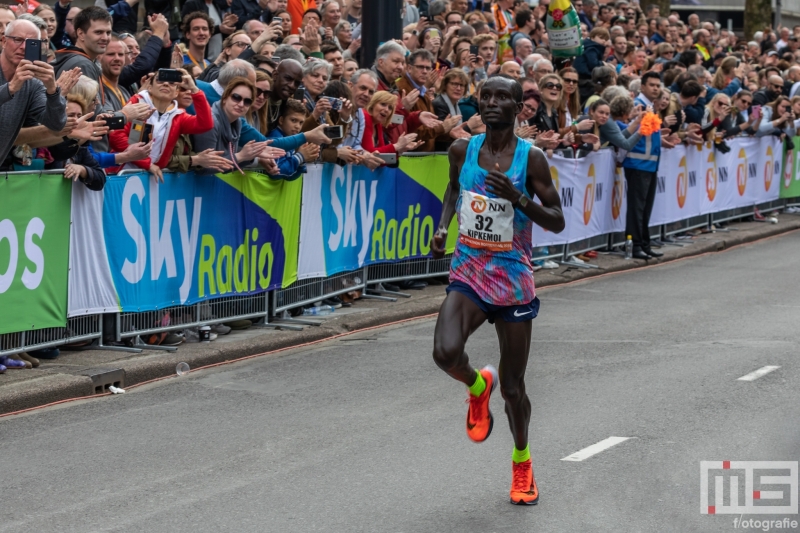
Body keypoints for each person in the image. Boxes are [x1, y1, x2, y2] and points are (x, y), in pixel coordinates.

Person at [429, 75, 565, 507]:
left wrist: (519, 198)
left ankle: (522, 461)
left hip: (512, 277)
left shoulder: (533, 159)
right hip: (469, 268)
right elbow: (454, 187)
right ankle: (474, 386)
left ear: (518, 106)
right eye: (485, 96)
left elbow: (557, 219)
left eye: (501, 97)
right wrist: (441, 224)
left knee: (513, 387)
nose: (491, 103)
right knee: (445, 353)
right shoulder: (462, 148)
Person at [110, 69, 214, 181]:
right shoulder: (137, 103)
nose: (165, 84)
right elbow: (116, 136)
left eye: (172, 83)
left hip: (152, 176)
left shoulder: (178, 115)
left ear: (176, 92)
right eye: (160, 80)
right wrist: (148, 164)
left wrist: (194, 90)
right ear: (149, 87)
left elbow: (205, 124)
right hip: (121, 172)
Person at [0, 19, 68, 165]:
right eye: (17, 40)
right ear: (3, 41)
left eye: (32, 43)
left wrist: (52, 91)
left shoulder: (33, 83)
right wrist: (10, 88)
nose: (24, 47)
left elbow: (56, 124)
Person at [193, 76, 282, 174]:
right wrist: (241, 156)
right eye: (236, 97)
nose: (241, 104)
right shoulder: (211, 121)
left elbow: (226, 168)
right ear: (225, 98)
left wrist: (251, 156)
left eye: (247, 101)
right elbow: (203, 168)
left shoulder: (237, 122)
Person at [623, 71, 663, 260]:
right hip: (637, 163)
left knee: (645, 208)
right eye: (652, 85)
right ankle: (635, 244)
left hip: (649, 164)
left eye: (658, 85)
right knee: (637, 208)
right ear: (643, 86)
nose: (656, 88)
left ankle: (644, 243)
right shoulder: (638, 105)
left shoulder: (650, 107)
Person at [52, 6, 112, 81]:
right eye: (98, 32)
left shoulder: (72, 58)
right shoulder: (82, 65)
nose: (105, 38)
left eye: (108, 33)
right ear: (81, 34)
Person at [182, 11, 215, 77]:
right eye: (196, 29)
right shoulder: (181, 62)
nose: (201, 33)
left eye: (204, 29)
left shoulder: (209, 65)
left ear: (210, 34)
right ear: (188, 34)